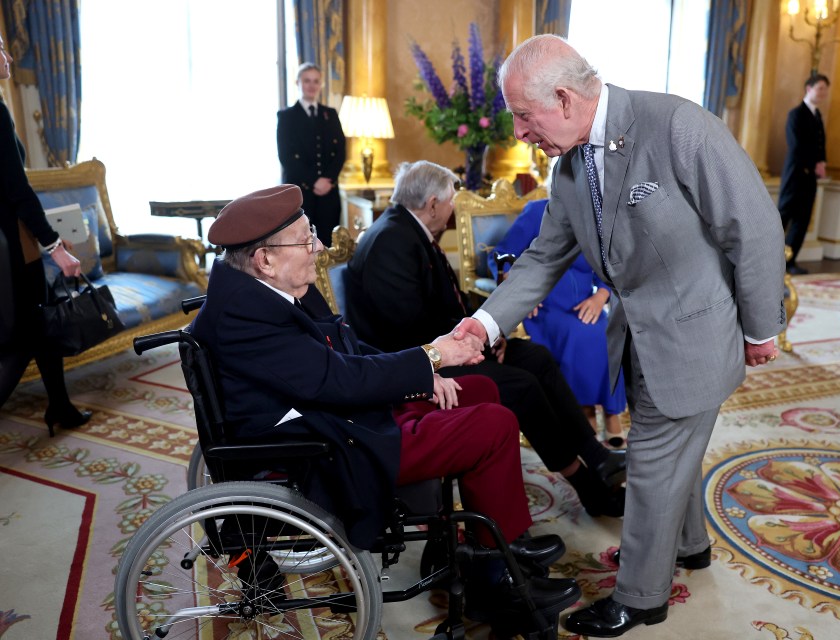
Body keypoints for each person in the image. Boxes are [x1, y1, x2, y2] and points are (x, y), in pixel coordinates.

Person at [456, 35, 786, 636]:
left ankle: (640, 596)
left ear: (562, 98)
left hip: (695, 333)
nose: (520, 133)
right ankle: (691, 549)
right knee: (674, 447)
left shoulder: (678, 126)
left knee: (655, 460)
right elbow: (541, 258)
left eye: (523, 117)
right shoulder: (569, 165)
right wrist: (482, 323)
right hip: (634, 337)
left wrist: (762, 326)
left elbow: (755, 226)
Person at [190, 184, 580, 622]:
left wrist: (423, 372)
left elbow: (346, 346)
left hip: (336, 415)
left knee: (481, 390)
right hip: (324, 449)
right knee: (494, 424)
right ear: (265, 259)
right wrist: (430, 358)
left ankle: (492, 541)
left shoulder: (266, 290)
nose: (318, 246)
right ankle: (494, 580)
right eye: (305, 240)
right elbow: (336, 377)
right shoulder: (249, 317)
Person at [343, 161, 628, 519]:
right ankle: (586, 484)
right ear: (432, 204)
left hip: (442, 348)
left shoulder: (406, 232)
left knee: (536, 357)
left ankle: (597, 456)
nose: (452, 210)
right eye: (449, 202)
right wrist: (470, 346)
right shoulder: (391, 241)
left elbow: (445, 308)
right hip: (415, 369)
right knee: (521, 385)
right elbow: (405, 331)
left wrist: (490, 334)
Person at [0, 34, 91, 435]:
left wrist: (50, 238)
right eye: (0, 49)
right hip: (14, 249)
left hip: (10, 245)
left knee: (38, 327)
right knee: (23, 337)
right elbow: (18, 192)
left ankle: (60, 406)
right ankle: (60, 407)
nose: (7, 56)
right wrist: (55, 248)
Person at [490, 198, 627, 447]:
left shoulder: (595, 211)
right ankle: (584, 411)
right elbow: (502, 255)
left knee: (609, 330)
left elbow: (609, 264)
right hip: (544, 306)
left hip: (586, 302)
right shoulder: (536, 211)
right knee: (580, 335)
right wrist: (514, 286)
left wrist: (601, 295)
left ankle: (611, 412)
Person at [277, 62, 346, 247]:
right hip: (299, 193)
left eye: (316, 81)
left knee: (327, 246)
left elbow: (340, 151)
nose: (311, 85)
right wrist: (315, 181)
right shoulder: (287, 117)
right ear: (298, 83)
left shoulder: (330, 114)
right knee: (299, 245)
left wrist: (328, 179)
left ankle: (325, 278)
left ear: (321, 84)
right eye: (307, 80)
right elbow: (286, 157)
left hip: (328, 194)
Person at [779, 73, 829, 276]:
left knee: (803, 220)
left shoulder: (817, 115)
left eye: (826, 89)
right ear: (808, 89)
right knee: (783, 217)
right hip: (795, 175)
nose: (824, 93)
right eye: (820, 88)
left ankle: (788, 261)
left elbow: (821, 143)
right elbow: (795, 146)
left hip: (810, 178)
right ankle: (765, 259)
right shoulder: (796, 114)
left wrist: (822, 162)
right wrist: (813, 163)